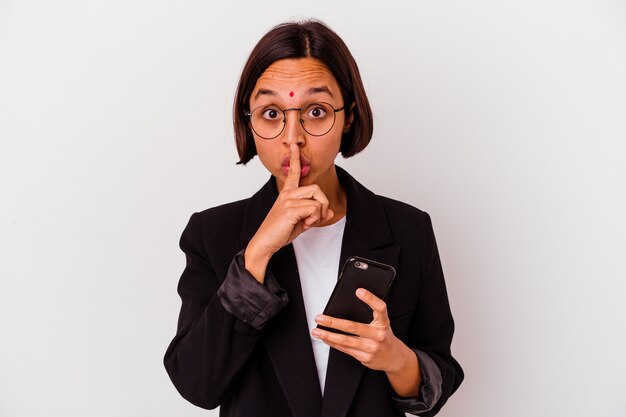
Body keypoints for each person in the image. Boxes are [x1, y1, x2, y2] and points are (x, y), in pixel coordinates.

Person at [164, 20, 463, 417]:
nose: (293, 138)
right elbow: (197, 385)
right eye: (271, 113)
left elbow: (439, 374)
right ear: (249, 122)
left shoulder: (408, 229)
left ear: (349, 117)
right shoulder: (212, 234)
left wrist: (395, 358)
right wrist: (255, 256)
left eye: (316, 111)